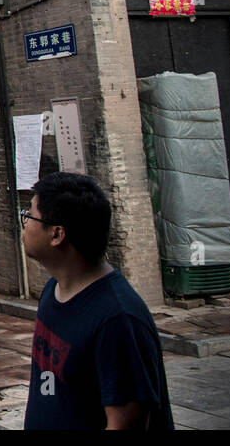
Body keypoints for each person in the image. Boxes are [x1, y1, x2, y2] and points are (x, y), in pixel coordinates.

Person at [21, 171, 173, 430]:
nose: (24, 222)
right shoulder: (53, 290)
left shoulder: (117, 319)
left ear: (57, 234)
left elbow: (126, 426)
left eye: (30, 215)